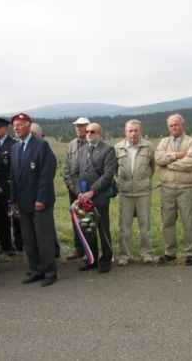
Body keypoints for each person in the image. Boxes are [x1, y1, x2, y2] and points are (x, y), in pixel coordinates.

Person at [9, 113, 58, 286]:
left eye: (20, 124)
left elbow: (46, 174)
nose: (16, 127)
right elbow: (14, 176)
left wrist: (41, 199)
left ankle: (50, 272)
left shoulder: (41, 145)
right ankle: (35, 270)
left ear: (29, 126)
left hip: (39, 202)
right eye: (14, 125)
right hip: (23, 202)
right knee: (28, 240)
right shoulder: (15, 148)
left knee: (43, 239)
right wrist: (13, 199)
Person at [72, 123, 117, 273]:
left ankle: (106, 259)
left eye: (93, 131)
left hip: (99, 196)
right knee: (87, 228)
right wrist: (79, 192)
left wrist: (91, 192)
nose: (89, 134)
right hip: (83, 197)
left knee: (102, 228)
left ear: (100, 133)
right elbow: (75, 173)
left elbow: (108, 175)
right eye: (87, 131)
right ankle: (91, 259)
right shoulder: (82, 150)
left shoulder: (108, 149)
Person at [155, 113, 192, 266]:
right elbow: (158, 158)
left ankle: (191, 253)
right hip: (167, 188)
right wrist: (176, 155)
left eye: (176, 125)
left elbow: (191, 163)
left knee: (189, 221)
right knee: (167, 221)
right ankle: (170, 252)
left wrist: (170, 164)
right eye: (171, 125)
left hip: (186, 188)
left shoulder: (191, 142)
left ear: (183, 125)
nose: (174, 127)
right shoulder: (163, 142)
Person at [115, 119, 155, 265]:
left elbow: (152, 167)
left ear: (141, 131)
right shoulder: (118, 147)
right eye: (130, 130)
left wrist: (142, 181)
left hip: (143, 192)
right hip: (125, 193)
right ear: (125, 132)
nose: (133, 133)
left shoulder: (148, 147)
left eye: (136, 130)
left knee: (145, 225)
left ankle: (147, 253)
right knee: (125, 226)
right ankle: (125, 255)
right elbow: (115, 169)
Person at [0, 117, 19, 255]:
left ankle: (11, 245)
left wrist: (5, 186)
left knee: (9, 218)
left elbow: (15, 169)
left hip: (8, 187)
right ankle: (4, 244)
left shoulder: (13, 144)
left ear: (5, 128)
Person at [63, 117, 90, 260]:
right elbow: (66, 167)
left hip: (88, 191)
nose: (79, 129)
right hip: (74, 190)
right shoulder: (71, 145)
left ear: (88, 126)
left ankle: (89, 250)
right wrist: (72, 186)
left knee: (89, 219)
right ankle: (78, 249)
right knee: (76, 219)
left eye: (82, 126)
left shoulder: (92, 143)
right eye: (77, 126)